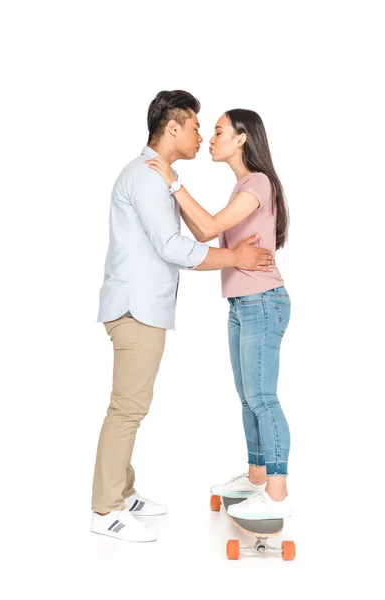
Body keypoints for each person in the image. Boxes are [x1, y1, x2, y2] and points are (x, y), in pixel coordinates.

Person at [91, 92, 274, 543]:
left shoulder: (158, 176)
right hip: (136, 308)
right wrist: (236, 257)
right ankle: (105, 508)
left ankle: (123, 490)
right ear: (172, 128)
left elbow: (199, 228)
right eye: (196, 126)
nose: (200, 135)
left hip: (142, 307)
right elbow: (175, 248)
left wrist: (177, 186)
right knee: (128, 407)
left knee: (132, 403)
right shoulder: (148, 176)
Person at [146, 108, 291, 520]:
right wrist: (180, 196)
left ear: (242, 138)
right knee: (248, 400)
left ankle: (278, 492)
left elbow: (208, 230)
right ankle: (257, 477)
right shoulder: (242, 187)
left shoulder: (258, 183)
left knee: (263, 399)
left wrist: (173, 182)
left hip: (263, 301)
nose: (210, 138)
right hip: (243, 304)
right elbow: (201, 230)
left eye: (218, 131)